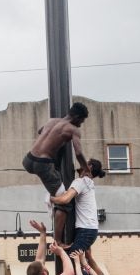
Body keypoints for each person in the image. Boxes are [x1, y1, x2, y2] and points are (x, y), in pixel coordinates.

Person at [22, 102, 90, 245]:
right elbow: (78, 153)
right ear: (77, 117)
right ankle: (58, 241)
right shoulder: (73, 129)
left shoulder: (52, 121)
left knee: (57, 182)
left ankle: (52, 196)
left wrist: (55, 140)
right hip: (43, 164)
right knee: (65, 203)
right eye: (82, 121)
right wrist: (86, 169)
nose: (81, 125)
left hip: (28, 159)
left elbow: (41, 131)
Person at [49, 158, 106, 252]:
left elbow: (65, 199)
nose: (82, 162)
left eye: (85, 161)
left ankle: (58, 242)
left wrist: (51, 199)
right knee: (76, 260)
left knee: (71, 259)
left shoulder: (81, 181)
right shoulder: (89, 183)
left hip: (85, 230)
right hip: (89, 230)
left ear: (89, 166)